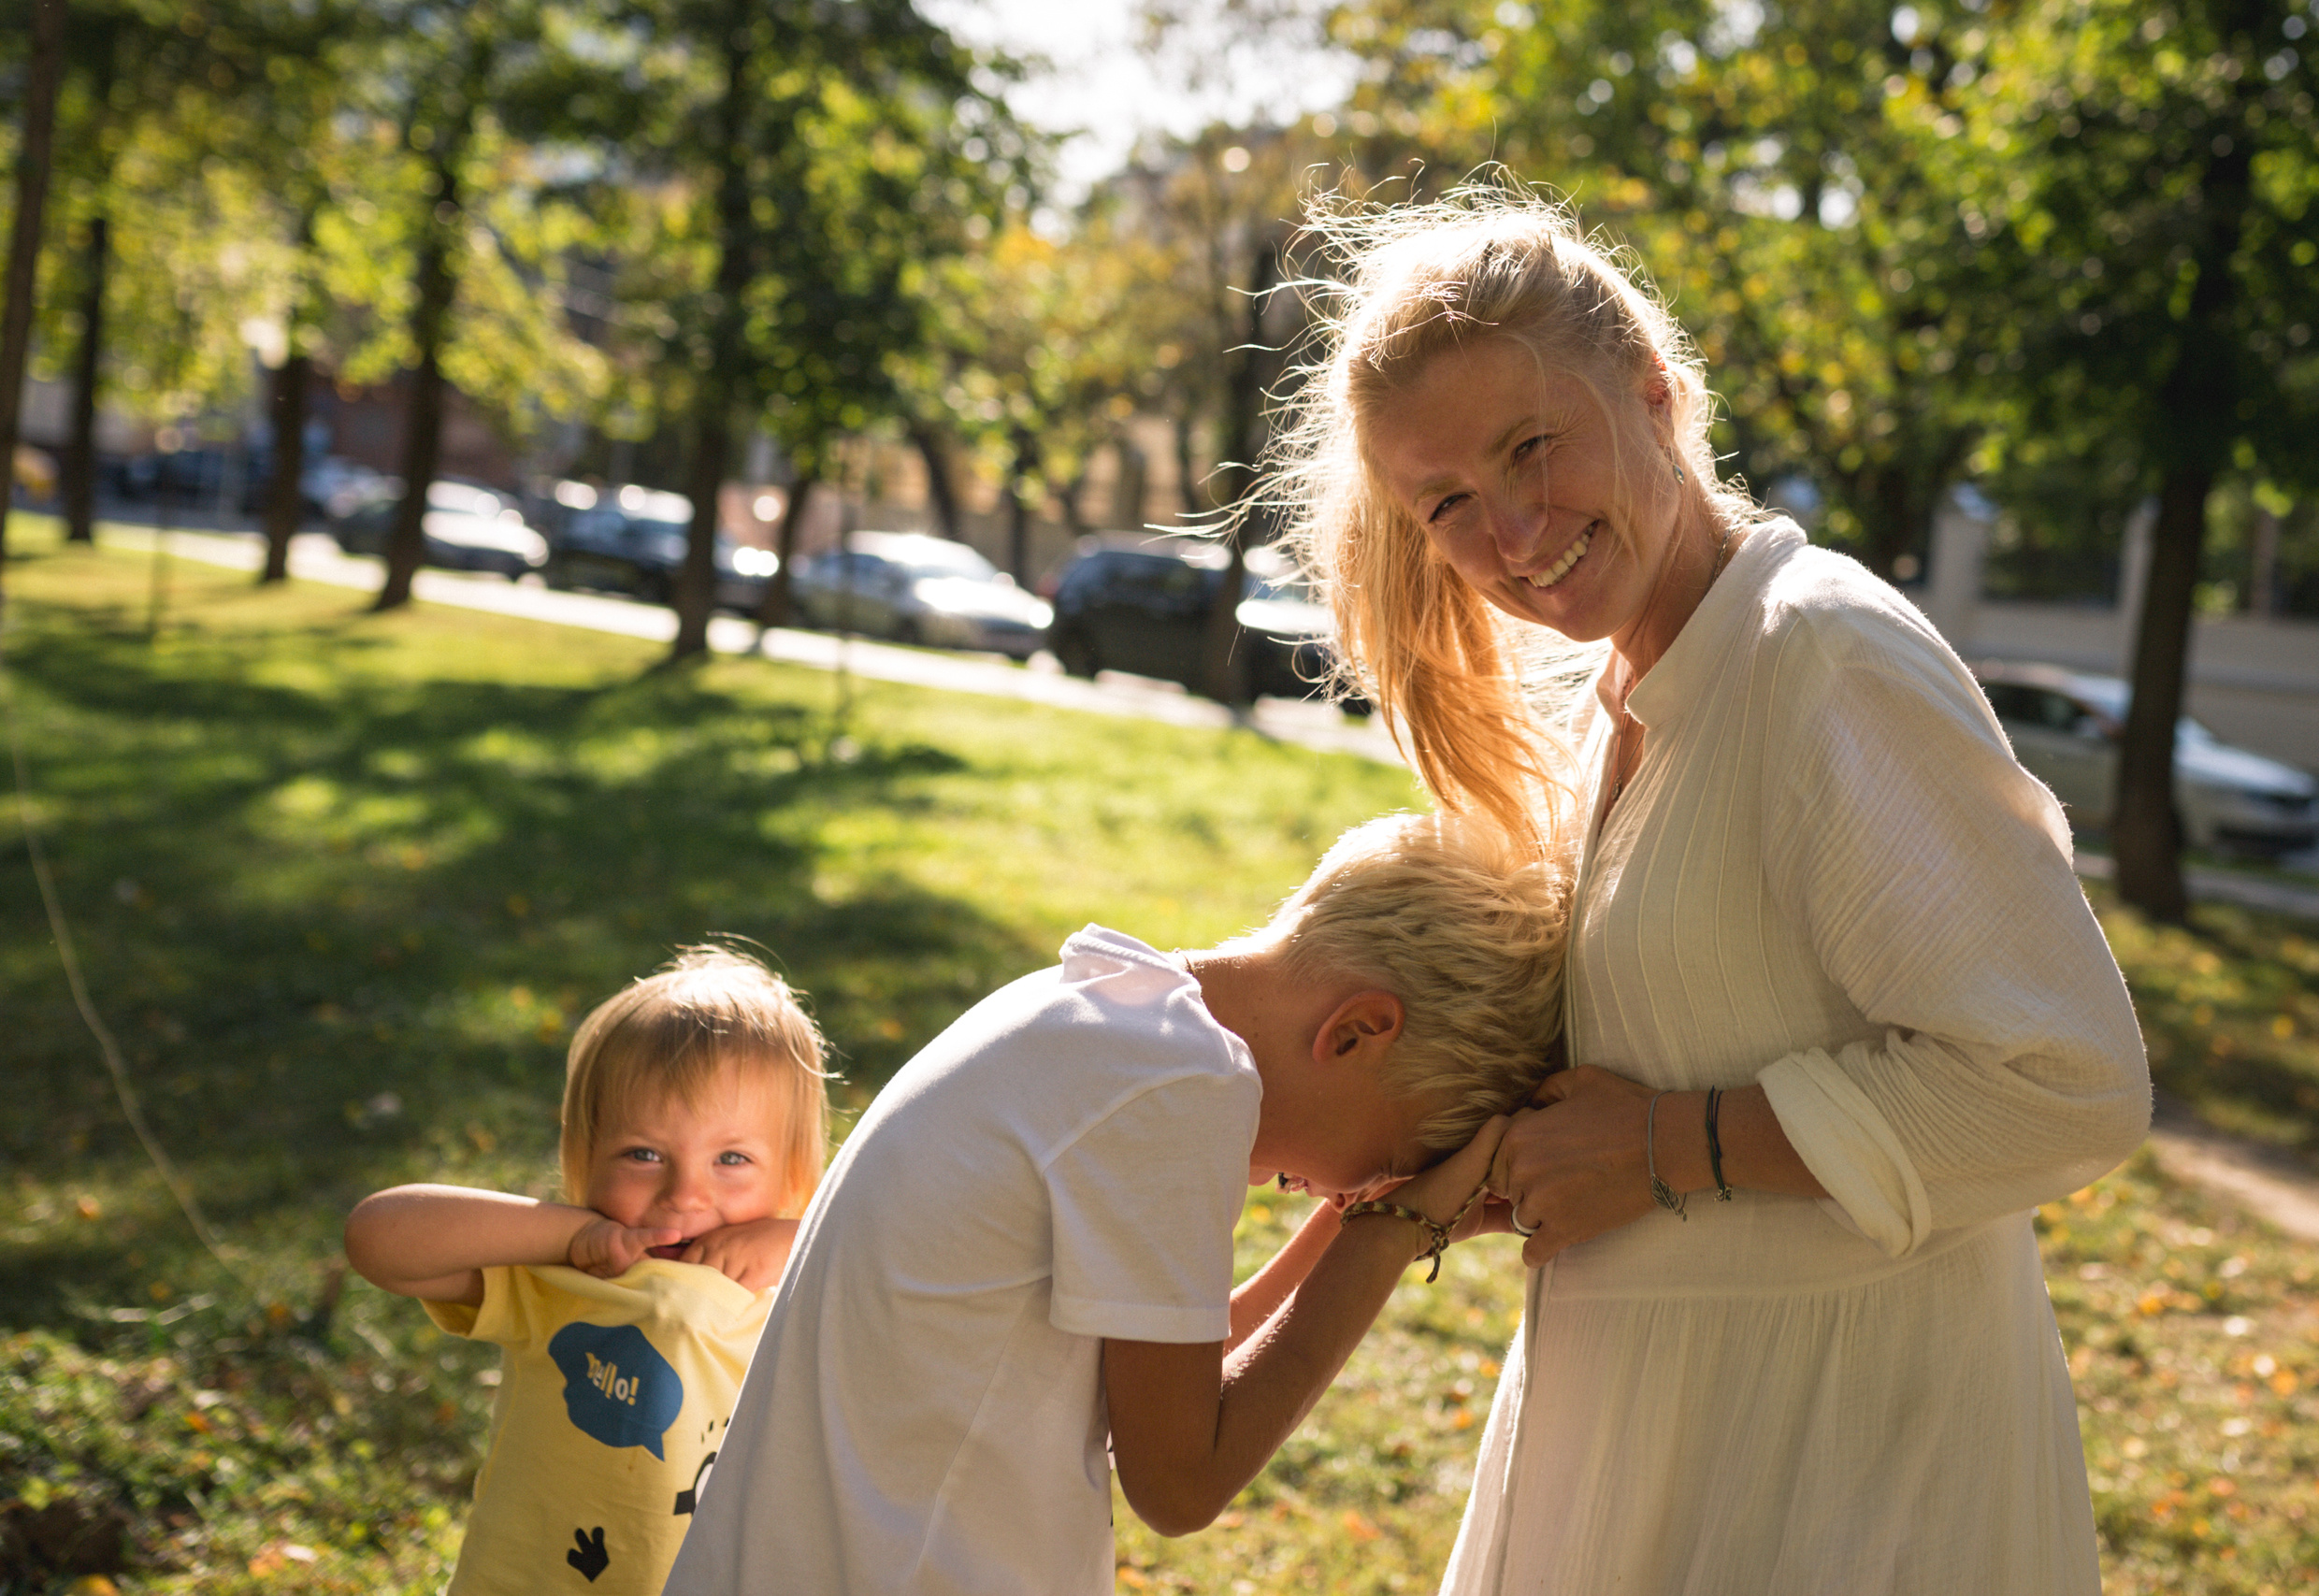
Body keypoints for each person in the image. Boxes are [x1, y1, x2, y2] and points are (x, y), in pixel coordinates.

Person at [1275, 190, 2152, 1593]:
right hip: (1646, 1427)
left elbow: (2067, 1078)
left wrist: (1675, 1142)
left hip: (1841, 1462)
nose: (1509, 528)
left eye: (1533, 446)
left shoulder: (1818, 656)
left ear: (1655, 390)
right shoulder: (1618, 697)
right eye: (1446, 501)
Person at [661, 810, 1567, 1596]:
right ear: (1357, 1031)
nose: (1352, 1186)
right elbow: (1178, 1482)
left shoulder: (1113, 1018)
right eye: (1389, 1155)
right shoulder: (1178, 1082)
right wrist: (1383, 1237)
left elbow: (1174, 1356)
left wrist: (1361, 1225)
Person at [344, 947, 831, 1596]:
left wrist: (807, 1241)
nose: (685, 1193)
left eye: (732, 1158)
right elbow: (376, 1236)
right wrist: (569, 1235)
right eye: (643, 1153)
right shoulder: (557, 1276)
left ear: (795, 1174)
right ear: (585, 1156)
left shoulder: (802, 1293)